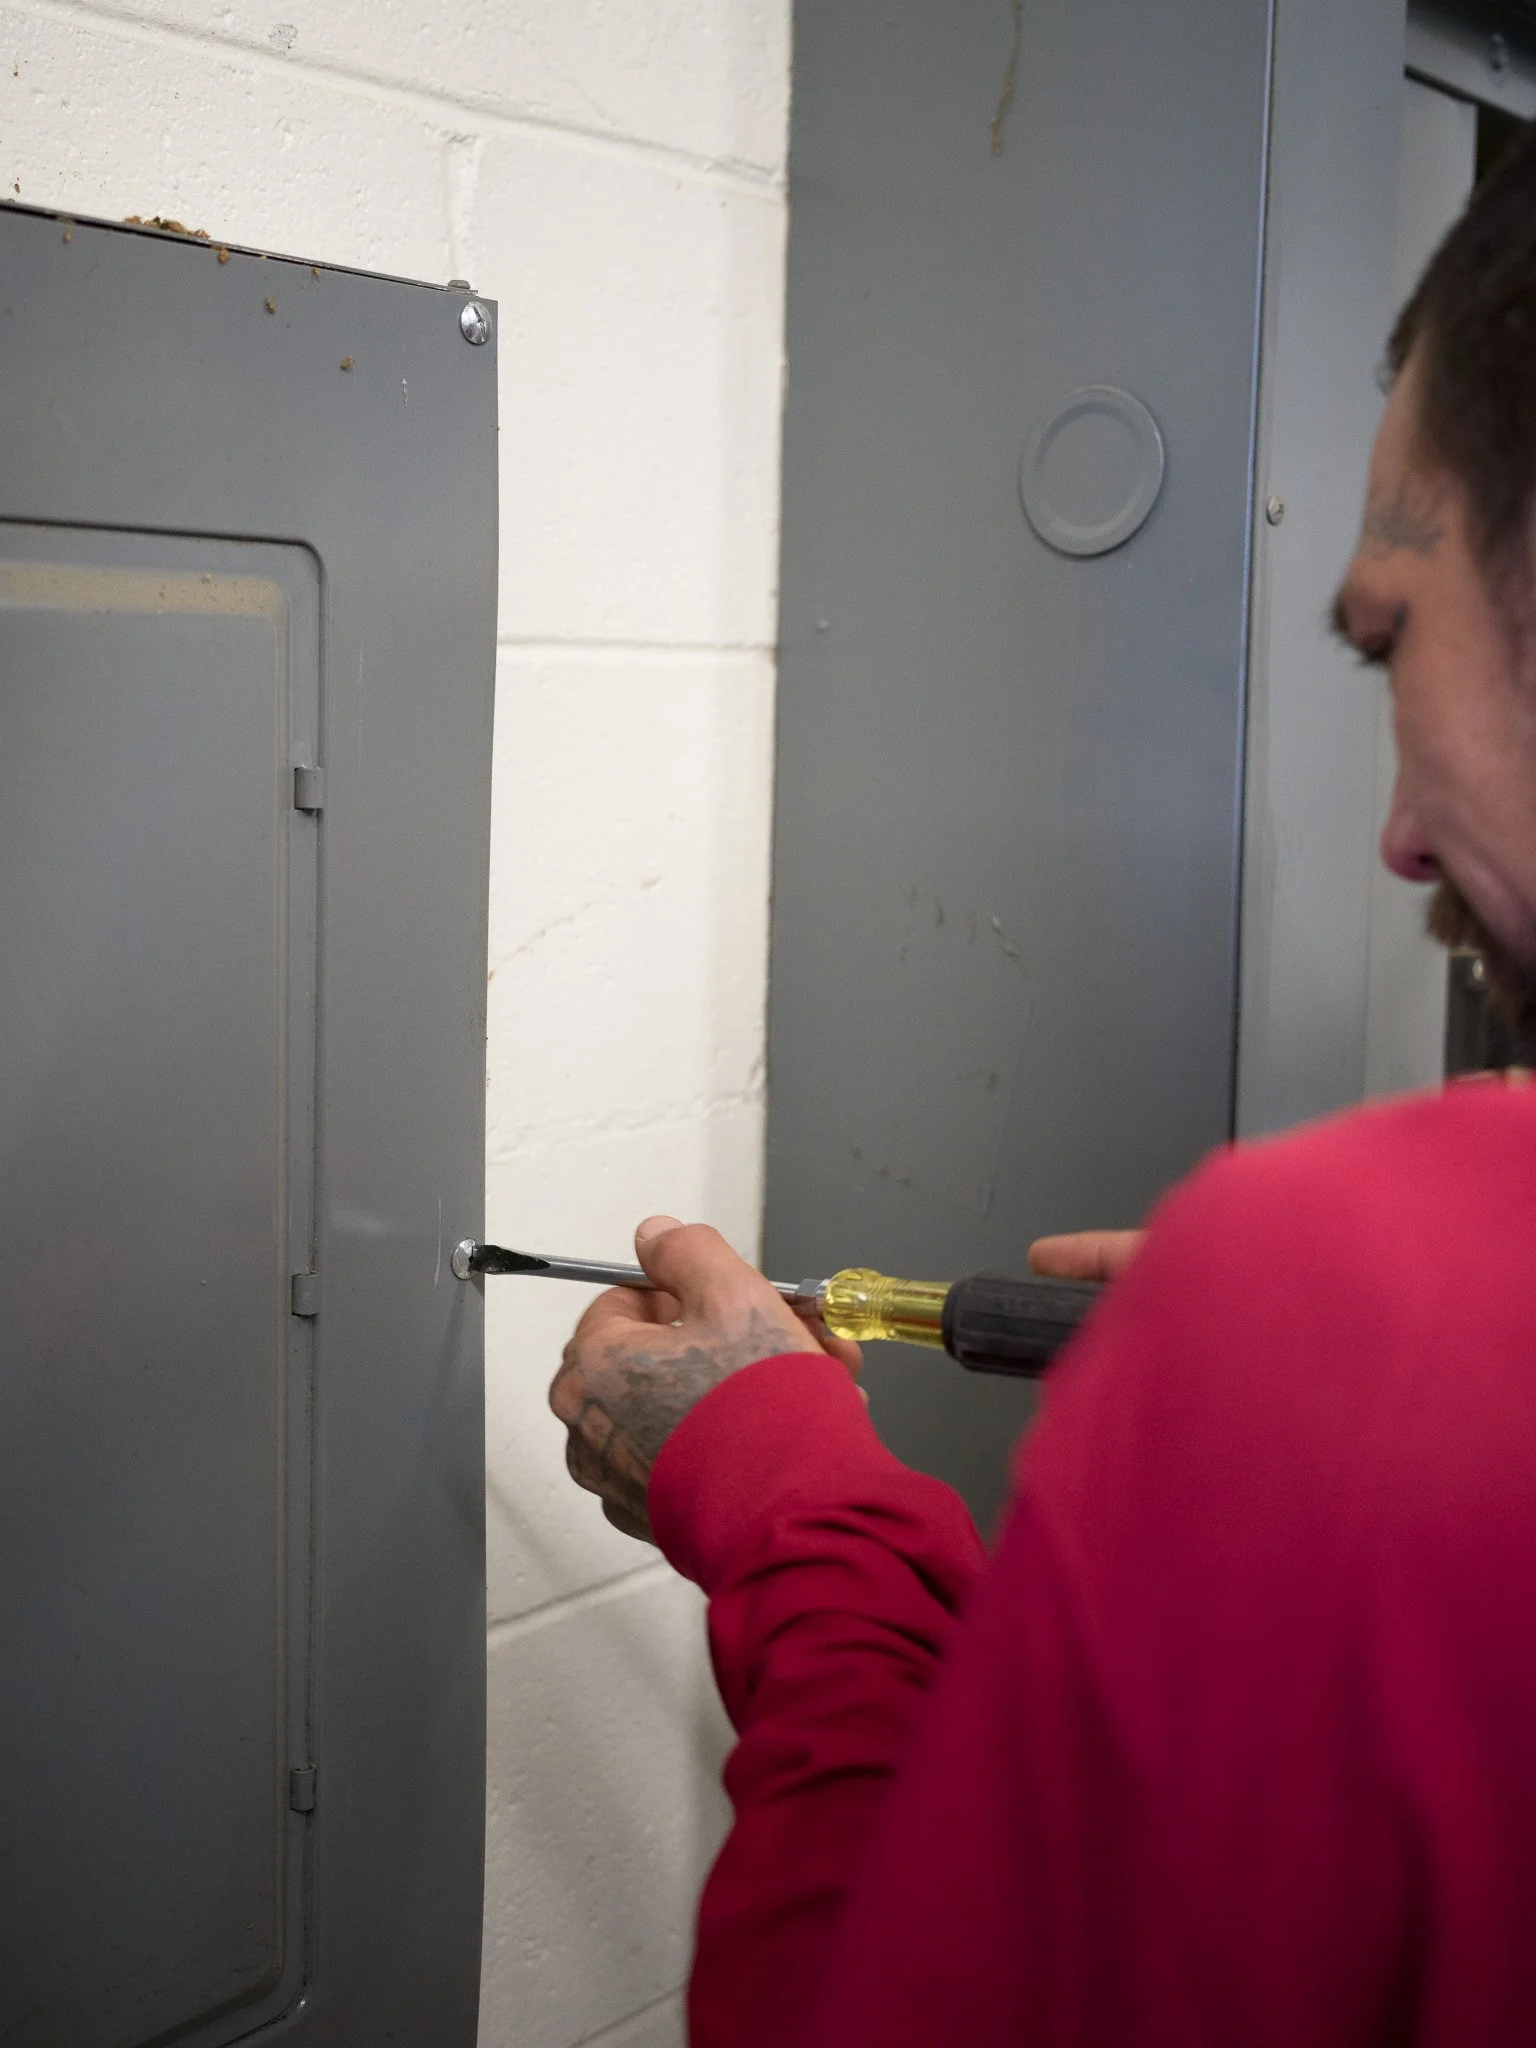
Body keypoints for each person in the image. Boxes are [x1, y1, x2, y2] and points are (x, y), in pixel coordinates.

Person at [551, 129, 1536, 2046]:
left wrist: (790, 1510)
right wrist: (1300, 1390)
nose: (1402, 836)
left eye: (1390, 631)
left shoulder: (1359, 1284)